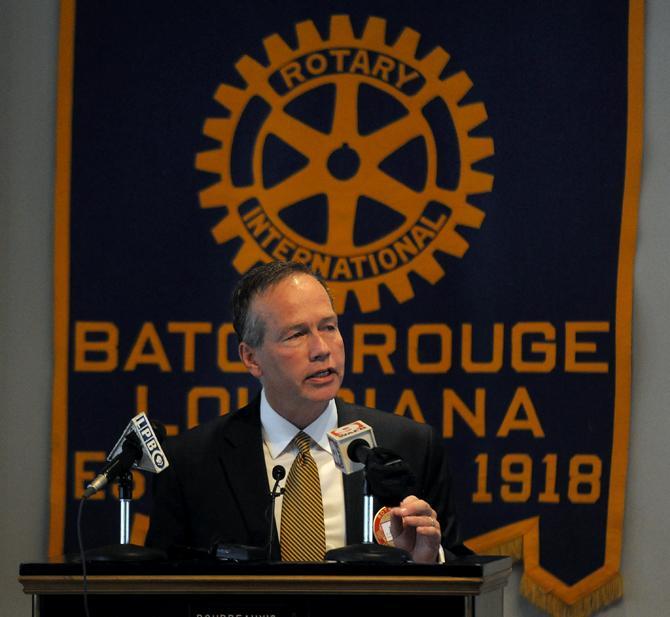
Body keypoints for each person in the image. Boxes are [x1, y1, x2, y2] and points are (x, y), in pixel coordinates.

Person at [146, 261, 463, 563]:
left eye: (329, 327)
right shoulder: (192, 462)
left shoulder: (409, 445)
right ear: (251, 357)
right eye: (297, 334)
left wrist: (426, 562)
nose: (322, 348)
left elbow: (462, 569)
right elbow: (163, 587)